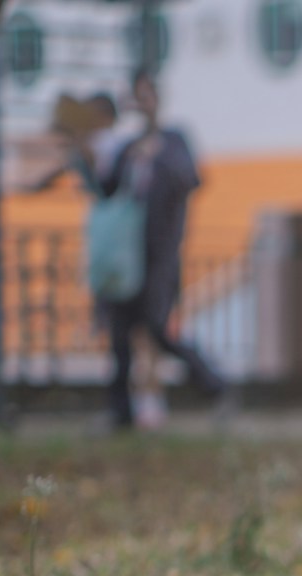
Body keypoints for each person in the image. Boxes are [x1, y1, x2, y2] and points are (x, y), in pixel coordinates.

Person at [99, 69, 224, 428]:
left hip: (161, 255)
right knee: (121, 335)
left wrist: (159, 158)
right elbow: (105, 188)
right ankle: (120, 413)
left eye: (148, 95)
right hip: (127, 256)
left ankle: (213, 384)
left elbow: (191, 178)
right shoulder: (127, 146)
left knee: (156, 326)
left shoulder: (174, 141)